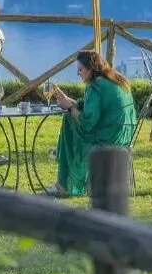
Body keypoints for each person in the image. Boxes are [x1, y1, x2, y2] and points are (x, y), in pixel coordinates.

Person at [47, 51, 137, 198]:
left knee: (69, 121)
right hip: (124, 136)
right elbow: (89, 108)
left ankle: (64, 183)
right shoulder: (114, 80)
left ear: (91, 69)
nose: (78, 73)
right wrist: (67, 100)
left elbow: (87, 123)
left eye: (80, 69)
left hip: (108, 138)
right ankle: (62, 175)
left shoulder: (95, 87)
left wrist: (70, 108)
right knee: (72, 117)